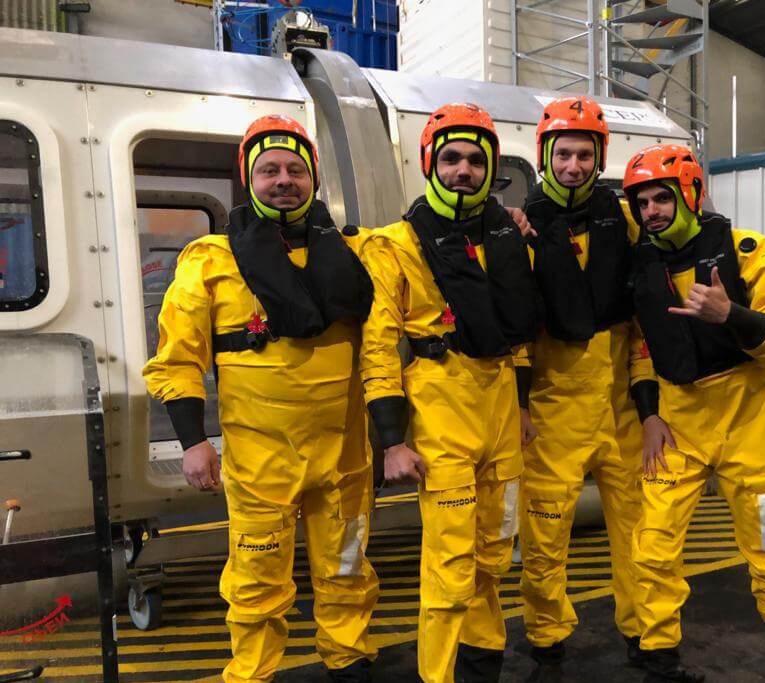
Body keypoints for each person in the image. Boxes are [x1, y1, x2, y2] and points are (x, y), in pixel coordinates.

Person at [143, 115, 379, 683]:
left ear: (314, 179)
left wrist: (514, 219)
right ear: (248, 178)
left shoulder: (362, 253)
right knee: (256, 579)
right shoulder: (210, 260)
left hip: (344, 459)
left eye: (296, 170)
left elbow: (423, 250)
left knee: (346, 567)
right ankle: (253, 671)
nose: (283, 180)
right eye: (269, 169)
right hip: (260, 464)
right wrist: (193, 442)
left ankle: (347, 659)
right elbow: (178, 358)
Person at [621, 144, 765, 683]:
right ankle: (660, 664)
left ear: (690, 193)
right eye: (642, 202)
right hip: (677, 422)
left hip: (747, 417)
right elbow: (643, 349)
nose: (652, 211)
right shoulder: (642, 270)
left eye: (661, 198)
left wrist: (732, 314)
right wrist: (648, 413)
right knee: (652, 549)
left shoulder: (745, 251)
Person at [358, 102, 540, 683]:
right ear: (430, 163)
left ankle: (484, 657)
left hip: (501, 407)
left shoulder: (509, 234)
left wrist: (523, 405)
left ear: (490, 168)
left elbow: (520, 329)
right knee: (451, 562)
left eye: (475, 160)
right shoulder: (395, 245)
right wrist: (392, 440)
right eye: (451, 158)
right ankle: (437, 673)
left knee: (496, 548)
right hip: (441, 407)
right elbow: (379, 347)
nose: (463, 169)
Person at [516, 95, 650, 679]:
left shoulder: (622, 220)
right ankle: (547, 645)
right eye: (562, 154)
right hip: (553, 410)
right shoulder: (520, 226)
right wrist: (520, 405)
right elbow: (515, 326)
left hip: (620, 408)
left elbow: (642, 315)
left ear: (599, 158)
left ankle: (649, 640)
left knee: (642, 536)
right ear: (545, 156)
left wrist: (649, 407)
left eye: (583, 154)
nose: (572, 165)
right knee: (544, 541)